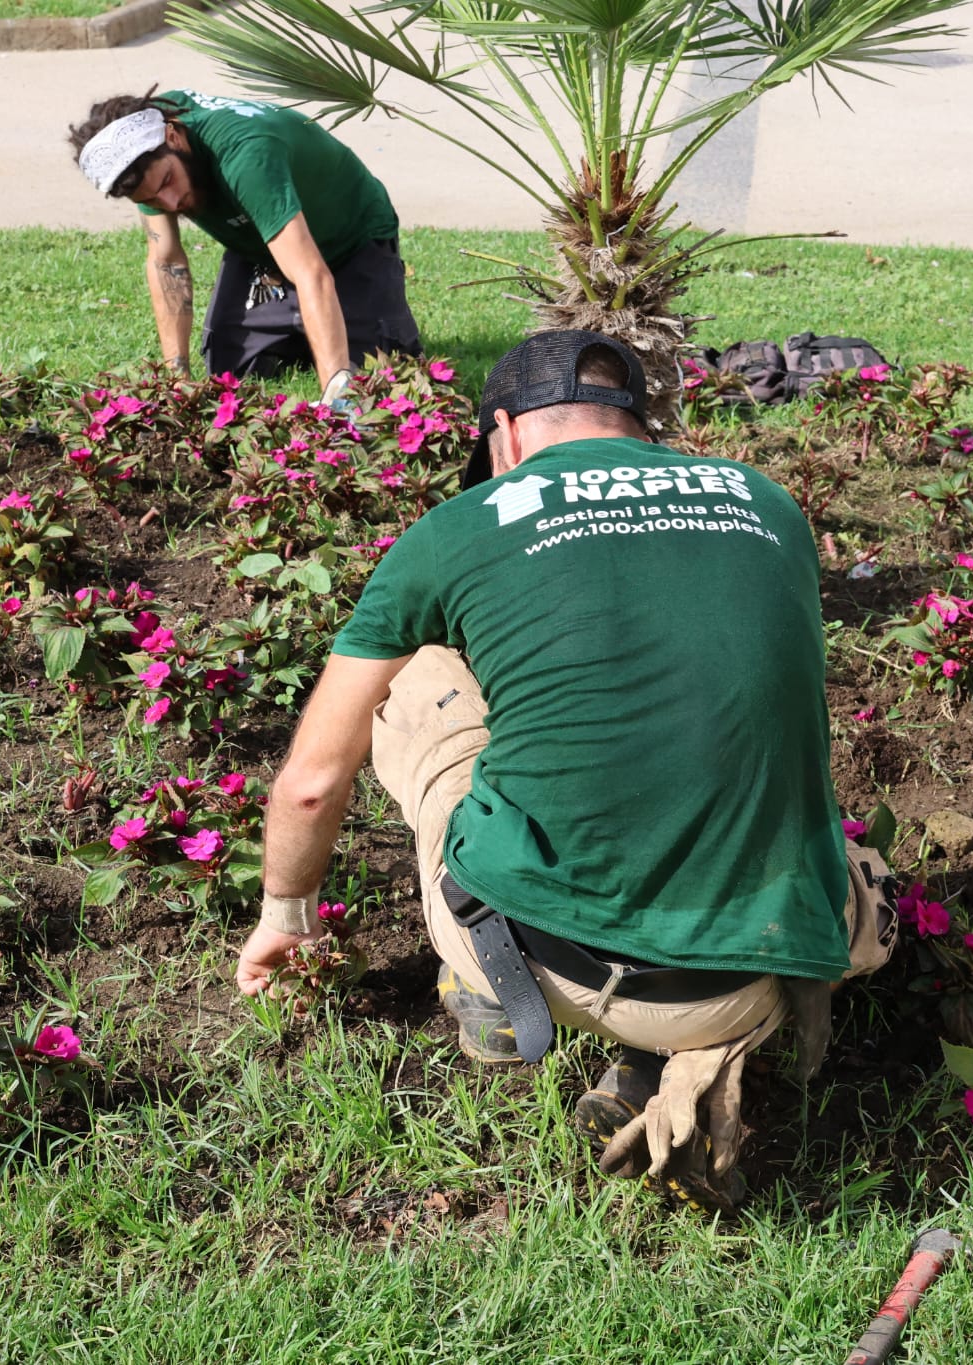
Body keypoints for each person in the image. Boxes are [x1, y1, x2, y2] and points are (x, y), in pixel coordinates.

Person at [235, 330, 896, 1207]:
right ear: (636, 424)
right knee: (866, 884)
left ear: (504, 434)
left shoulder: (461, 527)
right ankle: (690, 1052)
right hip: (751, 976)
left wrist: (287, 913)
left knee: (418, 678)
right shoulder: (764, 501)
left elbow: (313, 780)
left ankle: (490, 1003)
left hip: (541, 961)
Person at [68, 87, 421, 406]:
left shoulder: (245, 155)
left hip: (351, 237)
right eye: (152, 199)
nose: (171, 202)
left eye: (168, 181)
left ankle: (321, 324)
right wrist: (177, 381)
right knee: (227, 367)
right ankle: (302, 326)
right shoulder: (143, 155)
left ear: (173, 136)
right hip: (262, 246)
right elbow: (166, 260)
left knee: (377, 375)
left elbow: (309, 271)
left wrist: (335, 389)